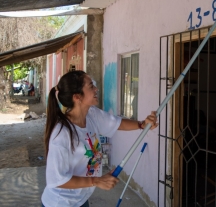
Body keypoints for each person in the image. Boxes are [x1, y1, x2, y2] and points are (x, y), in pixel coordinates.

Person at [41, 70, 158, 207]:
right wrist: (96, 181)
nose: (96, 89)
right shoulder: (61, 133)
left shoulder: (91, 115)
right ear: (77, 97)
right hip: (60, 203)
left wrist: (142, 124)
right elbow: (57, 180)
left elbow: (117, 123)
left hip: (80, 199)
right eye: (91, 86)